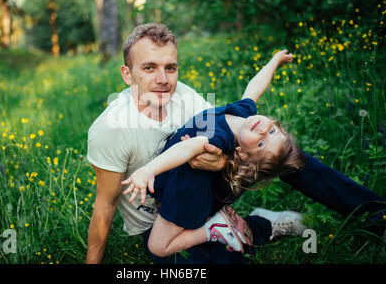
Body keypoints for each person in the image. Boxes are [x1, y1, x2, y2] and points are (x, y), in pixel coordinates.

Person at [86, 23, 386, 264]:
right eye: (149, 68)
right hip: (161, 218)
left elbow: (229, 138)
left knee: (281, 152)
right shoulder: (111, 129)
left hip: (203, 190)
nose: (163, 79)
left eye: (171, 68)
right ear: (128, 75)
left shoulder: (185, 96)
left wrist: (223, 162)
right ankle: (261, 226)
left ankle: (376, 213)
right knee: (208, 259)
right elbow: (105, 205)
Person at [121, 49, 310, 257]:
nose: (264, 131)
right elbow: (254, 88)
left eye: (262, 144)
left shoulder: (220, 139)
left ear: (243, 155)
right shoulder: (242, 115)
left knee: (158, 247)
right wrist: (275, 61)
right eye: (273, 131)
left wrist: (147, 170)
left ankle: (214, 227)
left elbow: (187, 147)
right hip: (181, 185)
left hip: (185, 193)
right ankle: (212, 218)